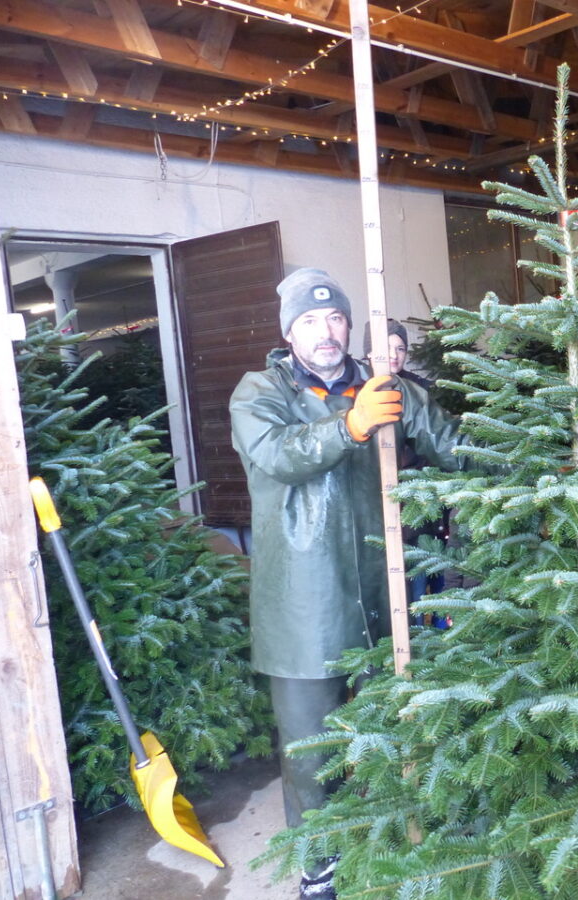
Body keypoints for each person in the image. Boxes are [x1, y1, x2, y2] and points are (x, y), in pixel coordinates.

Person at [229, 268, 463, 898]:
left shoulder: (384, 387)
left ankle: (388, 839)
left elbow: (454, 445)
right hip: (302, 606)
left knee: (391, 729)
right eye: (309, 320)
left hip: (384, 596)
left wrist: (549, 454)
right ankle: (319, 866)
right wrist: (350, 426)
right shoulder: (260, 391)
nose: (326, 331)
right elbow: (278, 455)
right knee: (310, 751)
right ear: (289, 332)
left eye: (334, 318)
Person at [387, 319, 449, 626]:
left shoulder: (418, 392)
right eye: (387, 348)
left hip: (420, 509)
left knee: (422, 585)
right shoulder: (357, 394)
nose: (395, 355)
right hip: (383, 512)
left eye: (400, 348)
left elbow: (436, 445)